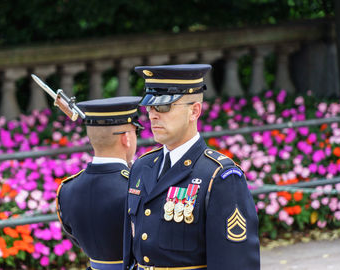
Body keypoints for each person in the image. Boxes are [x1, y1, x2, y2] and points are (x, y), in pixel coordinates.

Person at [123, 64, 260, 269]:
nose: (152, 115)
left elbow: (234, 262)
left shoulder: (219, 176)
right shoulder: (142, 167)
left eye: (163, 106)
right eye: (150, 107)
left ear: (194, 111)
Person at [56, 96, 143, 270]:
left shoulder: (66, 189)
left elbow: (75, 236)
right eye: (135, 132)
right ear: (126, 138)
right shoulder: (137, 186)